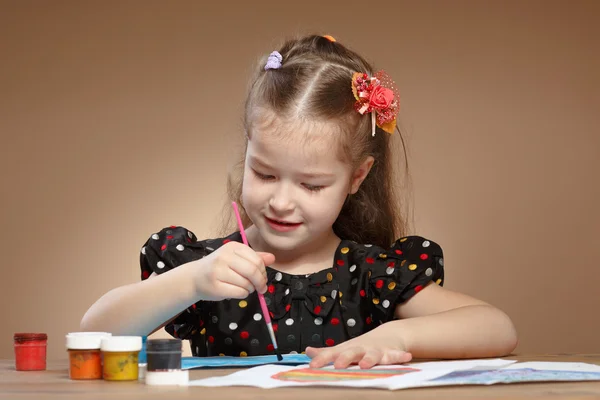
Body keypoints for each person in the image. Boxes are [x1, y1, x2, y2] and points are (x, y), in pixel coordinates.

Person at [81, 34, 517, 369]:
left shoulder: (370, 275)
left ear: (356, 178)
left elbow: (497, 327)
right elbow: (94, 332)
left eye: (311, 185)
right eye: (265, 174)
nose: (281, 202)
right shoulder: (207, 268)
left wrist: (394, 339)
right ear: (247, 151)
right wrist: (190, 282)